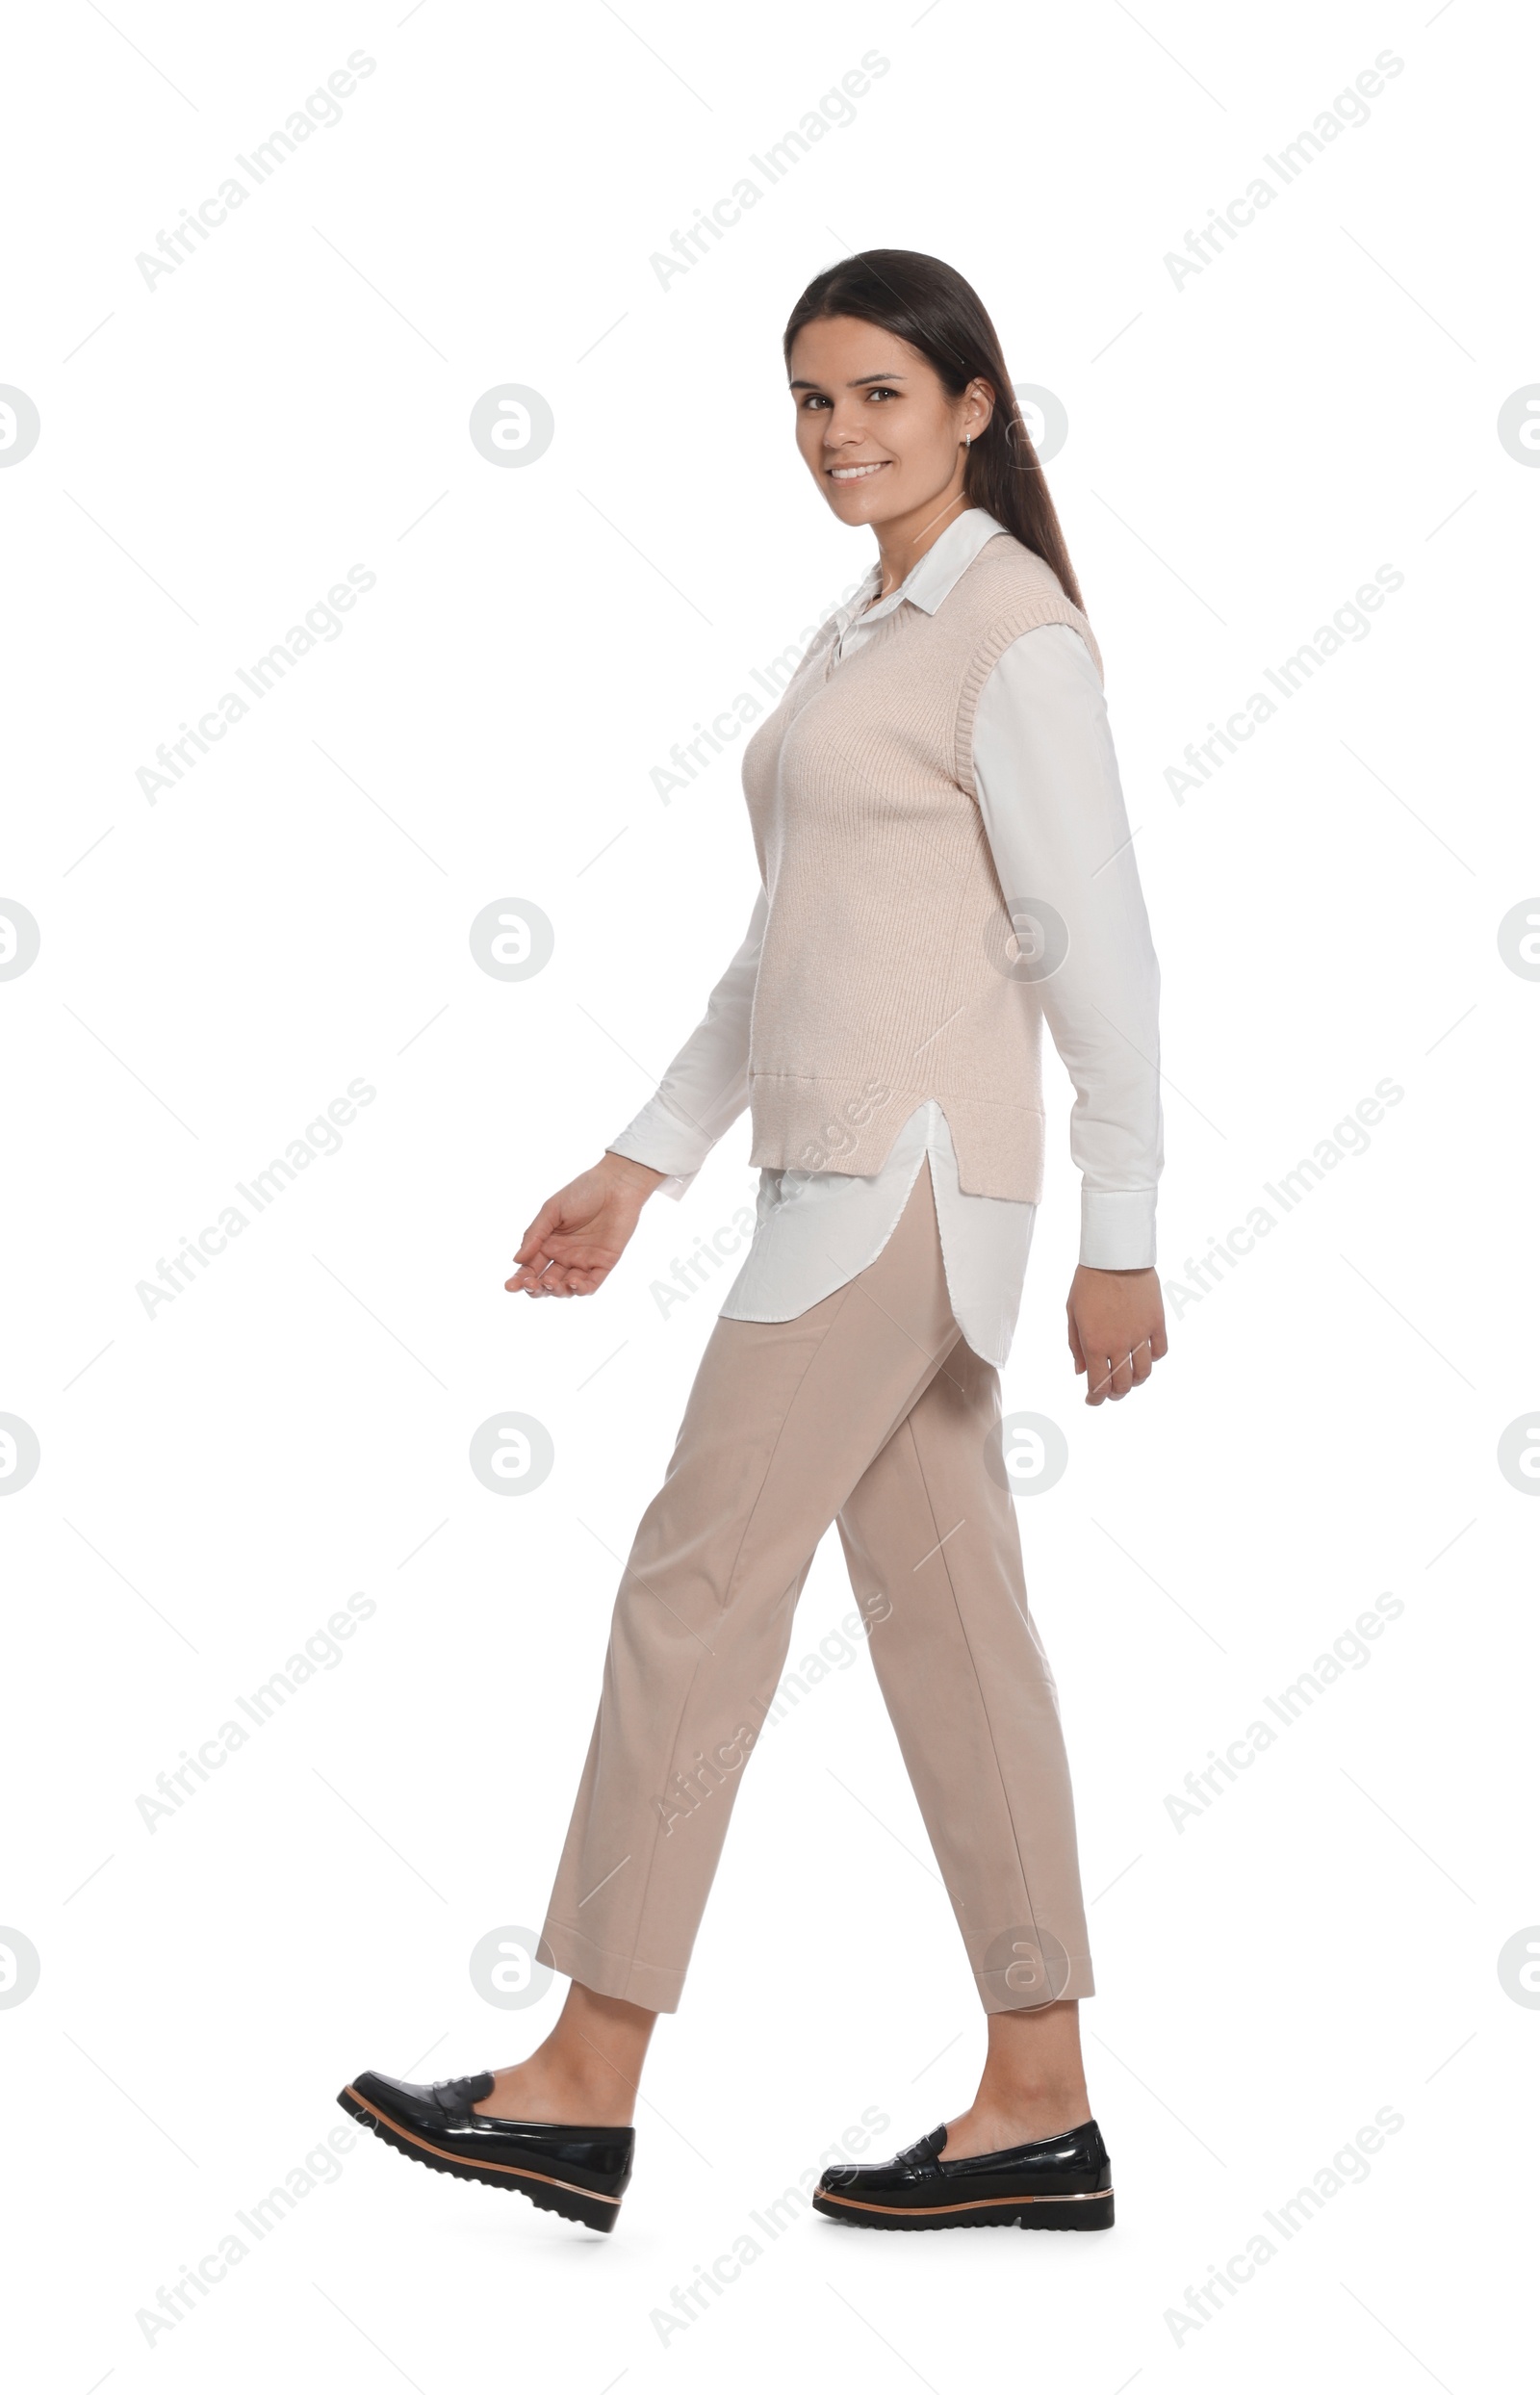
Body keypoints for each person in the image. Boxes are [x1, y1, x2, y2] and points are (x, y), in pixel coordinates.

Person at [340, 248, 1166, 2236]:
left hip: (892, 1185)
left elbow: (1103, 951)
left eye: (877, 392)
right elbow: (779, 951)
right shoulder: (855, 637)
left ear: (971, 401)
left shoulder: (1006, 635)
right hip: (834, 1178)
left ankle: (580, 2075)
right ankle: (1036, 2098)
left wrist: (1119, 1228)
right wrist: (639, 1162)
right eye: (807, 399)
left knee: (691, 1582)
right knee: (955, 1639)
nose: (835, 434)